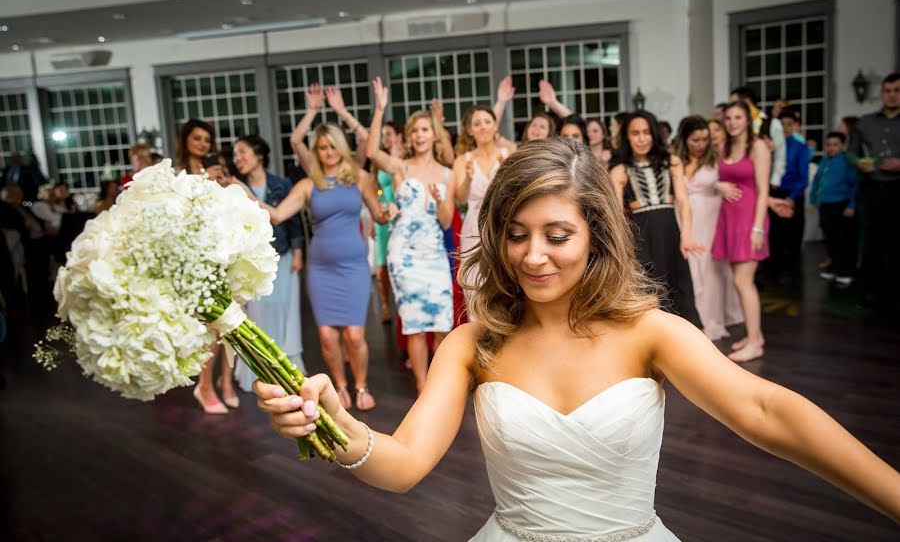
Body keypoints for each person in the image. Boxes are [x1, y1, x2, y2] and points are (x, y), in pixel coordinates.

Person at [253, 137, 900, 540]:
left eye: (557, 235)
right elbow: (404, 465)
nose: (533, 256)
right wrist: (337, 427)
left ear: (595, 234)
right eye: (515, 233)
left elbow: (765, 410)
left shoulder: (650, 333)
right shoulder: (471, 345)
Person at [251, 122, 388, 411]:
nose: (328, 152)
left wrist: (387, 211)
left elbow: (379, 215)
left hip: (353, 268)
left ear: (342, 147)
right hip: (321, 269)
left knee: (354, 335)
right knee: (327, 336)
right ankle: (340, 386)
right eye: (322, 147)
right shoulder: (308, 185)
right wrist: (246, 193)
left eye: (333, 145)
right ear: (316, 151)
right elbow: (277, 215)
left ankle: (361, 385)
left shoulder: (360, 178)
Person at [367, 77, 456, 393]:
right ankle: (422, 387)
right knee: (415, 326)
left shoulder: (449, 172)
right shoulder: (400, 168)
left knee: (442, 323)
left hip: (433, 254)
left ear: (434, 134)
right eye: (414, 130)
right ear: (409, 136)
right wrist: (380, 109)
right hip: (404, 255)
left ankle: (439, 384)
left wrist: (441, 198)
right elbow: (370, 150)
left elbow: (446, 222)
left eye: (424, 129)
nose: (419, 135)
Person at [610, 110, 703, 328]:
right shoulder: (620, 170)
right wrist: (624, 248)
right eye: (635, 133)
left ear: (654, 134)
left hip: (671, 233)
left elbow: (683, 201)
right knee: (650, 293)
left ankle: (685, 353)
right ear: (627, 137)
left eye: (646, 132)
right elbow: (615, 215)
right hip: (641, 236)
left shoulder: (672, 162)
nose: (641, 138)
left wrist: (687, 235)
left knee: (680, 291)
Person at [231, 135, 305, 393]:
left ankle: (286, 369)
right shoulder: (235, 188)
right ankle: (260, 371)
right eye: (235, 154)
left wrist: (298, 252)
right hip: (251, 263)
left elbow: (294, 221)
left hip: (282, 256)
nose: (237, 158)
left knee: (284, 311)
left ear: (258, 154)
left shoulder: (281, 184)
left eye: (242, 152)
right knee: (258, 315)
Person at [175, 118, 235, 414]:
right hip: (195, 257)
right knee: (210, 328)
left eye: (207, 140)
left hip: (222, 248)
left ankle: (227, 383)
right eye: (197, 138)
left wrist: (221, 185)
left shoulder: (215, 169)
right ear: (186, 139)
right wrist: (201, 183)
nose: (203, 144)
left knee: (230, 324)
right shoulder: (176, 174)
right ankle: (205, 384)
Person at [711, 101, 770, 362]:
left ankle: (755, 343)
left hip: (749, 218)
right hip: (729, 218)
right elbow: (716, 177)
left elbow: (763, 189)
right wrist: (720, 185)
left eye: (738, 117)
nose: (733, 122)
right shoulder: (724, 147)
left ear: (747, 119)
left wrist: (758, 227)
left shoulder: (758, 146)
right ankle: (753, 334)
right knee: (739, 281)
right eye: (729, 117)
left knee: (742, 281)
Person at [674, 116, 743, 340]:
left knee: (710, 268)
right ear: (684, 139)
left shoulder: (717, 156)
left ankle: (711, 318)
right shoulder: (675, 159)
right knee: (690, 267)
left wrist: (718, 185)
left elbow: (739, 177)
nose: (701, 144)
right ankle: (693, 317)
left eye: (705, 139)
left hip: (711, 217)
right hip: (684, 216)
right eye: (695, 140)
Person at [847, 72, 900, 311]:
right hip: (871, 188)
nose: (891, 95)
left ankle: (893, 295)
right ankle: (868, 293)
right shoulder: (865, 122)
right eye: (888, 90)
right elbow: (850, 152)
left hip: (898, 188)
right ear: (882, 93)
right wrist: (858, 162)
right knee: (869, 243)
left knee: (895, 242)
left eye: (897, 90)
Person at [453, 106, 511, 317]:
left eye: (487, 121)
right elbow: (460, 198)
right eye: (476, 123)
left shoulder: (509, 153)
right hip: (474, 224)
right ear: (470, 130)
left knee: (505, 277)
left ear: (495, 125)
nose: (482, 127)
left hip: (503, 222)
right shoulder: (462, 160)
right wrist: (468, 178)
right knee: (475, 279)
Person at [765, 106, 811, 285]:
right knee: (773, 234)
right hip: (773, 193)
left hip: (792, 195)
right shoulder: (772, 146)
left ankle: (790, 271)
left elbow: (803, 177)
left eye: (789, 124)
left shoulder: (800, 148)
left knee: (791, 236)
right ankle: (772, 270)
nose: (785, 127)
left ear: (795, 126)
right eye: (782, 124)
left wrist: (791, 198)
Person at [810, 132, 858, 287]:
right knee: (829, 239)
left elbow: (856, 185)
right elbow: (817, 182)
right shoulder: (824, 161)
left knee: (843, 240)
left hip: (841, 205)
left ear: (843, 146)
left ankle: (845, 273)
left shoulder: (847, 162)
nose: (831, 148)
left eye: (835, 145)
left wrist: (852, 205)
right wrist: (812, 200)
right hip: (825, 205)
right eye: (828, 145)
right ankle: (833, 269)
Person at [374, 121, 404, 324]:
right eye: (383, 134)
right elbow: (375, 188)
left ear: (399, 135)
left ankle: (400, 300)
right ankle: (385, 304)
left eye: (389, 133)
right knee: (381, 265)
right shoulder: (380, 160)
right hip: (383, 214)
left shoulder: (405, 157)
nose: (386, 138)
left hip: (401, 213)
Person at [730, 86, 785, 190]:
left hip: (765, 181)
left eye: (734, 103)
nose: (732, 107)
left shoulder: (773, 124)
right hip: (741, 182)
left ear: (746, 101)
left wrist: (774, 182)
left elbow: (780, 156)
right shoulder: (735, 126)